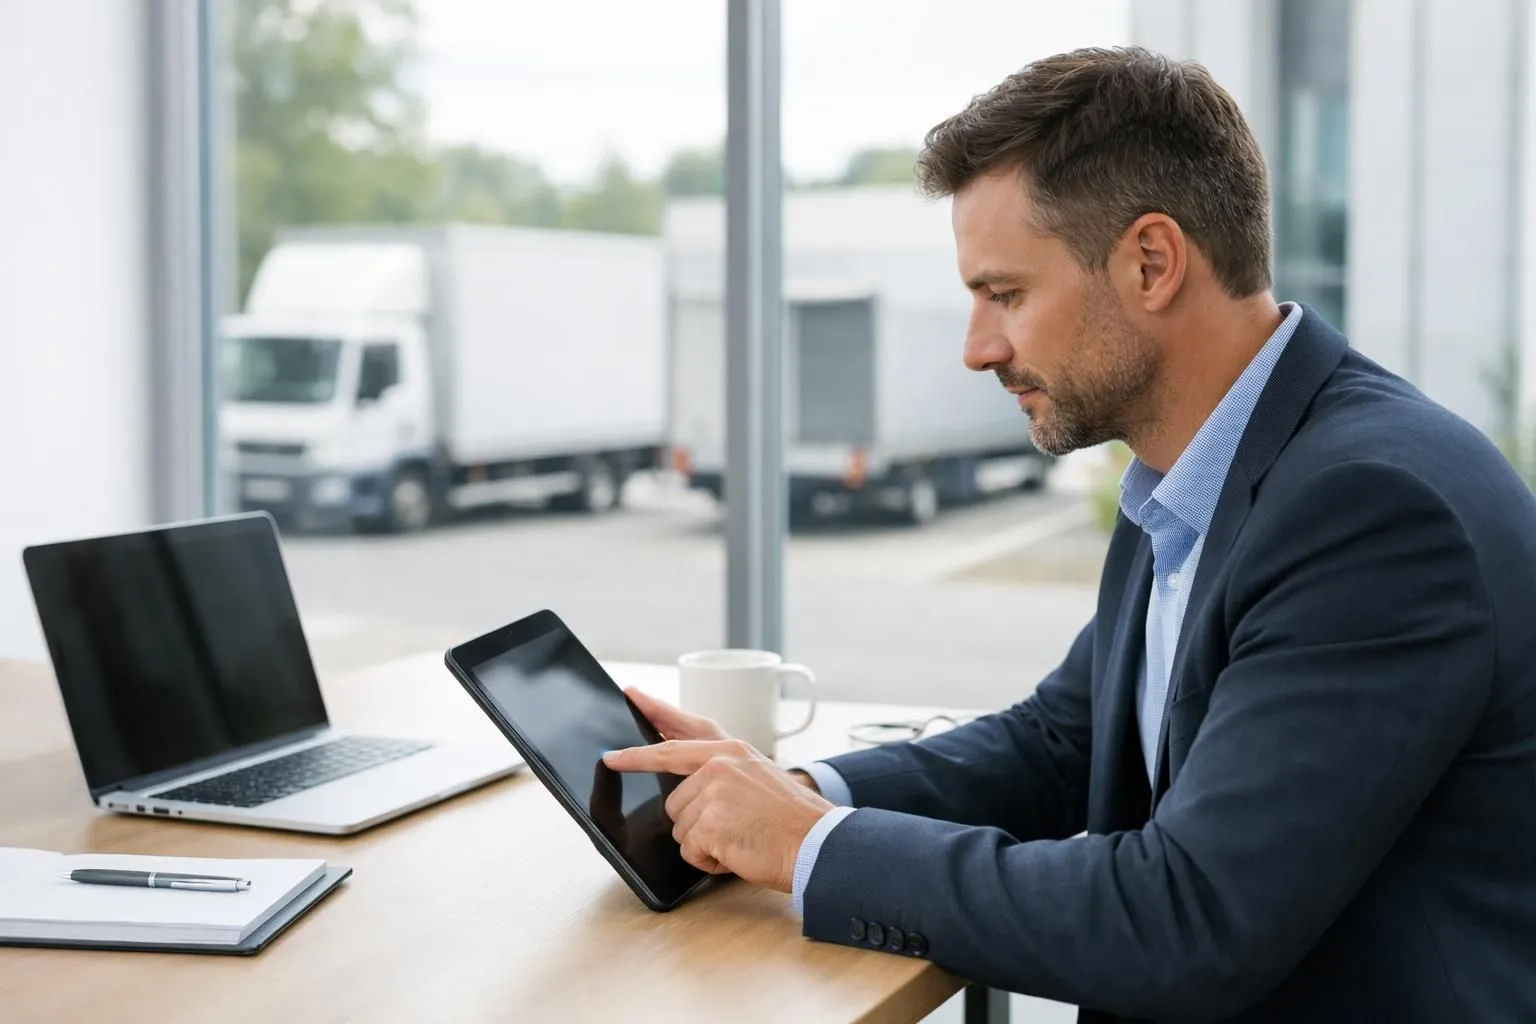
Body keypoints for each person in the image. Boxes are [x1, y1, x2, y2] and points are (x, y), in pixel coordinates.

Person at [602, 45, 1536, 1022]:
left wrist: (809, 845)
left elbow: (1190, 919)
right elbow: (1061, 744)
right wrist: (786, 790)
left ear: (1151, 263)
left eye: (1004, 294)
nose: (978, 349)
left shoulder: (1371, 511)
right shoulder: (1196, 468)